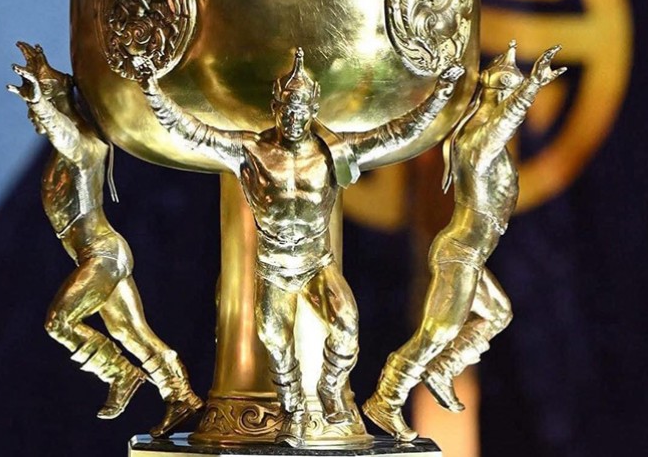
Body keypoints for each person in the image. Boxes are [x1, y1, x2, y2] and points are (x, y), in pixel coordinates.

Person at [133, 47, 464, 446]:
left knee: (346, 326)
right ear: (276, 107)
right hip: (274, 268)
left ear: (311, 111)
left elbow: (399, 133)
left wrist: (441, 93)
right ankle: (292, 409)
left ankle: (330, 387)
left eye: (300, 109)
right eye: (287, 109)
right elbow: (191, 131)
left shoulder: (332, 153)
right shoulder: (252, 151)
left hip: (316, 264)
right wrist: (151, 89)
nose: (293, 117)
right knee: (275, 339)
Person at [363, 41, 565, 441]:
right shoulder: (477, 142)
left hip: (471, 254)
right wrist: (533, 86)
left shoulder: (483, 141)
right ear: (496, 95)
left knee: (498, 314)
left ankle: (443, 367)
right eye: (506, 92)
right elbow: (505, 123)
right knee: (435, 333)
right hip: (461, 253)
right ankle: (387, 397)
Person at [8, 42, 202, 437]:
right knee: (131, 333)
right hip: (103, 254)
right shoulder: (75, 148)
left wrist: (40, 104)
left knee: (59, 322)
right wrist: (45, 84)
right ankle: (181, 395)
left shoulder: (84, 147)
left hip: (102, 255)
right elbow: (60, 116)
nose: (35, 121)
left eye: (43, 112)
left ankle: (117, 372)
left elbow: (60, 130)